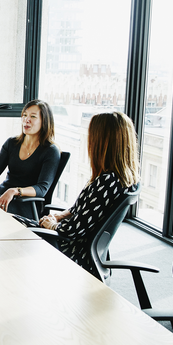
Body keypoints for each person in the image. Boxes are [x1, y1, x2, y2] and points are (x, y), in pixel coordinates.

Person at [38, 111, 141, 277]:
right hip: (78, 248)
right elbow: (82, 210)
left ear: (102, 142)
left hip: (72, 252)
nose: (89, 142)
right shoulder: (123, 179)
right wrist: (58, 216)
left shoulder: (107, 182)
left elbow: (72, 231)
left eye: (91, 136)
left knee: (16, 233)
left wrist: (52, 225)